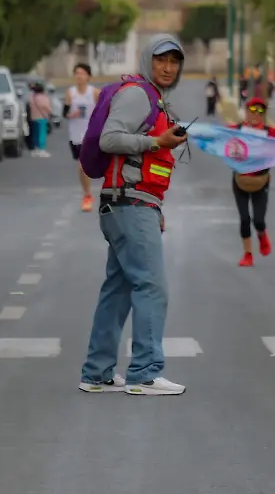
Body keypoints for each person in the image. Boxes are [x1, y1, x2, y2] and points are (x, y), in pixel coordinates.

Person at [78, 34, 189, 397]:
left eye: (174, 61)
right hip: (128, 205)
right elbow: (110, 139)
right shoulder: (139, 94)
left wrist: (154, 207)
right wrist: (157, 142)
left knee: (120, 289)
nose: (168, 67)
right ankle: (144, 372)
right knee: (152, 287)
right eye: (161, 60)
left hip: (129, 203)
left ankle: (97, 373)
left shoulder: (153, 99)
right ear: (147, 60)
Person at [229, 97, 275, 266]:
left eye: (260, 111)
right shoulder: (237, 130)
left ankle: (262, 235)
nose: (256, 114)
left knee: (258, 220)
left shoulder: (268, 133)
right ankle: (248, 254)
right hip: (240, 180)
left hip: (261, 181)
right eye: (253, 110)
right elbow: (216, 134)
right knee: (244, 218)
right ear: (246, 111)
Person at [65, 63, 99, 212]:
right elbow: (64, 113)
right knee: (81, 169)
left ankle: (87, 196)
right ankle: (87, 193)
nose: (79, 76)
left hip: (90, 135)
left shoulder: (95, 93)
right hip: (75, 134)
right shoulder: (70, 93)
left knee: (82, 166)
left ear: (88, 77)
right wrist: (71, 114)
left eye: (82, 73)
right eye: (77, 73)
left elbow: (103, 111)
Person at [27, 82, 53, 157]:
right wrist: (50, 112)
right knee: (42, 134)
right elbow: (46, 107)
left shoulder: (31, 97)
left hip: (33, 117)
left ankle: (35, 149)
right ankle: (41, 149)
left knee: (35, 134)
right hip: (42, 117)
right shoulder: (43, 97)